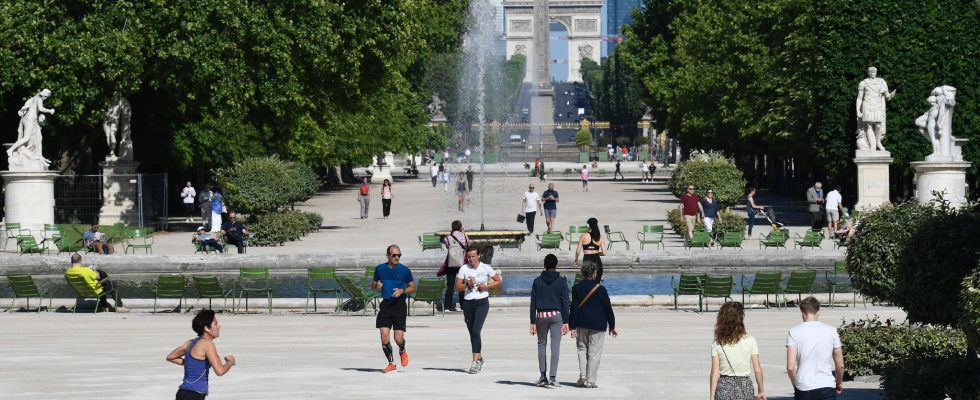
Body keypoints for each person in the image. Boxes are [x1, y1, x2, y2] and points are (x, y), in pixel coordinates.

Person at [167, 309, 235, 400]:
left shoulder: (190, 343)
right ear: (206, 328)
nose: (219, 326)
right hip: (194, 396)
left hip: (182, 393)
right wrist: (230, 362)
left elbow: (171, 357)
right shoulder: (208, 344)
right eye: (215, 324)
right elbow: (220, 371)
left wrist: (193, 364)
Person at [786, 297, 845, 399]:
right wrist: (838, 383)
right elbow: (840, 365)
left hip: (804, 386)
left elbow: (790, 367)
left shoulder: (793, 332)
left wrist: (795, 384)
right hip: (826, 385)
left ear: (802, 312)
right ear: (818, 312)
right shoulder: (831, 331)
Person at [569, 262, 617, 388]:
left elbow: (573, 309)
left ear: (583, 274)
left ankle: (583, 375)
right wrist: (612, 326)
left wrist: (572, 327)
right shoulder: (601, 289)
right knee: (594, 353)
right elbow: (608, 308)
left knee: (581, 349)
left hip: (581, 323)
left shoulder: (576, 288)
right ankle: (590, 380)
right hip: (598, 324)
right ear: (594, 273)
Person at [455, 246, 502, 374]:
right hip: (468, 303)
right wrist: (467, 284)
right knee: (472, 333)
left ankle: (475, 362)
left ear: (478, 256)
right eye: (469, 257)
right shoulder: (464, 269)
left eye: (473, 256)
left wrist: (485, 286)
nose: (471, 259)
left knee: (476, 330)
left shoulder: (486, 267)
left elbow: (498, 280)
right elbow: (458, 287)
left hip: (482, 303)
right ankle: (479, 358)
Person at [371, 244, 416, 373]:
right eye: (394, 255)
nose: (397, 257)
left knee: (398, 338)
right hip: (386, 305)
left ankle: (402, 349)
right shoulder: (380, 269)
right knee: (384, 337)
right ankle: (391, 363)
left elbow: (413, 287)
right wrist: (376, 284)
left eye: (399, 255)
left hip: (399, 306)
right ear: (388, 256)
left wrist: (403, 290)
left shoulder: (405, 270)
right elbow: (373, 285)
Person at [709, 302, 767, 400]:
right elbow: (757, 370)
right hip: (744, 386)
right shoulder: (750, 340)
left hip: (724, 387)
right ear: (741, 319)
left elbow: (714, 372)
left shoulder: (717, 343)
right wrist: (761, 391)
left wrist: (711, 397)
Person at [530, 254, 570, 387]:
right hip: (556, 315)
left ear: (544, 265)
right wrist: (566, 321)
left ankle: (542, 376)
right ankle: (552, 377)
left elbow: (533, 303)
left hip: (541, 316)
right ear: (556, 265)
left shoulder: (537, 281)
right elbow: (565, 302)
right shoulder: (561, 281)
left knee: (541, 345)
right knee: (555, 346)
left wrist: (532, 322)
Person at [440, 221, 469, 312]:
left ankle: (447, 306)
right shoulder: (464, 236)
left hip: (451, 263)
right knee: (462, 285)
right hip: (461, 263)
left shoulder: (448, 237)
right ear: (460, 227)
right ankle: (463, 306)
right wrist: (463, 233)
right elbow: (468, 244)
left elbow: (447, 245)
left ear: (452, 227)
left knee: (450, 286)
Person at [574, 218, 608, 282]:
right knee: (597, 283)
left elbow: (578, 251)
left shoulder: (583, 236)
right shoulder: (599, 237)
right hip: (597, 260)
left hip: (587, 259)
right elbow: (604, 253)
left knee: (587, 281)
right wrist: (597, 253)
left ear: (588, 225)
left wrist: (576, 260)